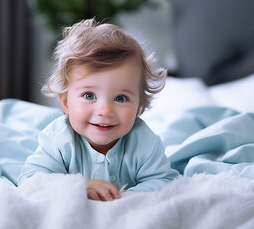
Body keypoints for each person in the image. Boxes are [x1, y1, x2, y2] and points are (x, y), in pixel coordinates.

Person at [18, 18, 179, 201]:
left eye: (120, 98)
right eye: (89, 95)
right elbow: (30, 182)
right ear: (65, 102)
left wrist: (127, 197)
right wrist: (78, 188)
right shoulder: (58, 140)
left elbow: (165, 181)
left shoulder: (144, 142)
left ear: (138, 108)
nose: (104, 110)